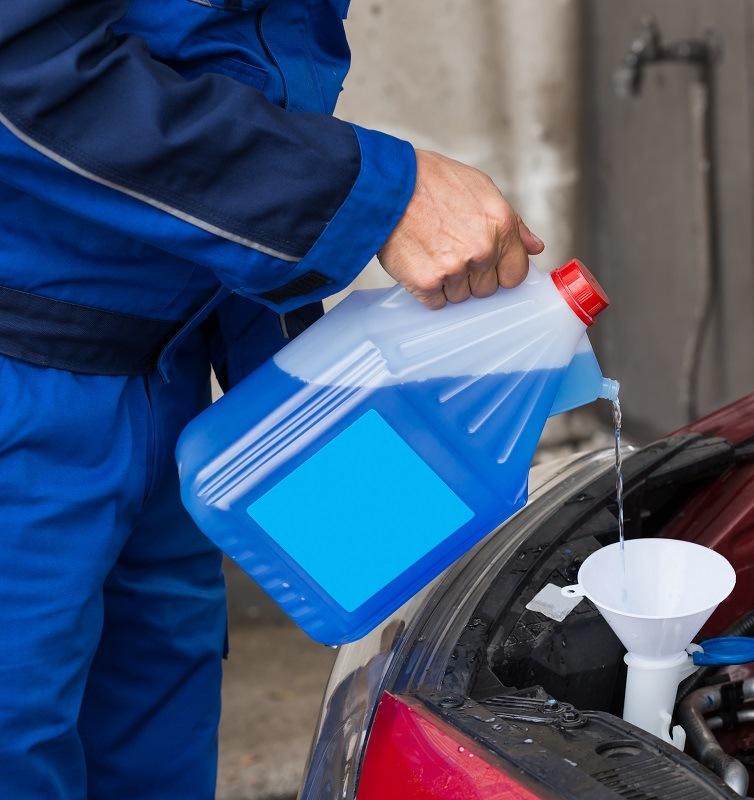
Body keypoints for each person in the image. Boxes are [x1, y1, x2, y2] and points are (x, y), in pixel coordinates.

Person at [0, 2, 543, 797]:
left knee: (152, 757)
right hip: (26, 373)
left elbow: (230, 65)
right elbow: (21, 67)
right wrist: (378, 193)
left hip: (169, 375)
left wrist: (292, 385)